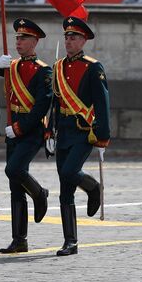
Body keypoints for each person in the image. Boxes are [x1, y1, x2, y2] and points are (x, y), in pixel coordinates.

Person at [0, 18, 51, 253]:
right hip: (13, 128)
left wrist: (20, 128)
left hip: (31, 129)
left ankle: (40, 194)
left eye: (24, 38)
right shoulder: (12, 66)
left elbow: (42, 105)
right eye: (17, 38)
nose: (18, 42)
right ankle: (19, 239)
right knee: (15, 187)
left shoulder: (43, 71)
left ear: (35, 41)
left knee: (14, 169)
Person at [48, 16, 110, 257]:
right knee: (65, 190)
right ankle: (70, 241)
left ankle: (94, 188)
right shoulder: (58, 67)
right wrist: (48, 130)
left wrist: (103, 135)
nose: (69, 40)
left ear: (84, 40)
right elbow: (55, 101)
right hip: (63, 130)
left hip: (84, 131)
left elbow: (102, 103)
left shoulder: (93, 67)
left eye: (73, 37)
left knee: (69, 172)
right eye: (66, 36)